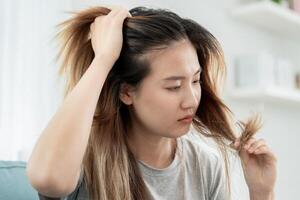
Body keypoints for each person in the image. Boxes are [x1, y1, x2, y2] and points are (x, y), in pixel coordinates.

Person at [26, 5, 277, 200]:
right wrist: (104, 59)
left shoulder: (204, 165)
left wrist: (261, 192)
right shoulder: (84, 157)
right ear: (126, 92)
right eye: (174, 86)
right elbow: (48, 179)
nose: (191, 100)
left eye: (195, 80)